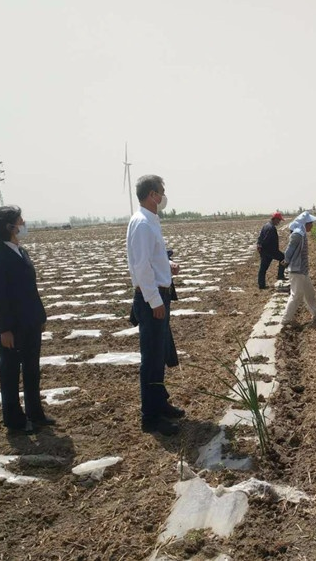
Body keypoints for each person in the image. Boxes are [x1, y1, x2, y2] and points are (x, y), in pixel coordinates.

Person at [0, 205, 53, 435]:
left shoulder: (21, 252)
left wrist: (40, 315)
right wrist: (4, 329)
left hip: (31, 321)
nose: (24, 225)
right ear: (9, 227)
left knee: (32, 368)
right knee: (11, 371)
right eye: (20, 222)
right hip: (12, 327)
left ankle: (35, 413)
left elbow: (31, 289)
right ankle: (14, 420)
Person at [127, 174, 185, 436]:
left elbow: (151, 259)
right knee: (151, 358)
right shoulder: (142, 224)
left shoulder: (149, 221)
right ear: (152, 194)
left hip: (159, 293)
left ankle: (160, 403)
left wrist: (167, 266)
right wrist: (153, 300)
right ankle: (150, 417)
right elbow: (140, 267)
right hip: (153, 298)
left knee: (159, 354)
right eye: (161, 191)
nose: (163, 197)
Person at [281, 211, 316, 325]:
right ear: (305, 223)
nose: (312, 226)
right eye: (311, 223)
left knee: (309, 292)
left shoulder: (302, 233)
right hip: (297, 269)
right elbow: (289, 249)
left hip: (302, 269)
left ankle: (315, 314)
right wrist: (287, 260)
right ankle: (286, 320)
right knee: (296, 295)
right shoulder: (298, 234)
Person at [256, 211, 286, 289]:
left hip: (265, 250)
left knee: (263, 269)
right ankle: (280, 276)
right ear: (275, 219)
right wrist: (270, 251)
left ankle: (261, 285)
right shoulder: (271, 228)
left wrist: (259, 246)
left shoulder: (266, 225)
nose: (279, 222)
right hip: (270, 251)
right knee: (283, 257)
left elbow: (260, 237)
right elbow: (266, 240)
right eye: (279, 220)